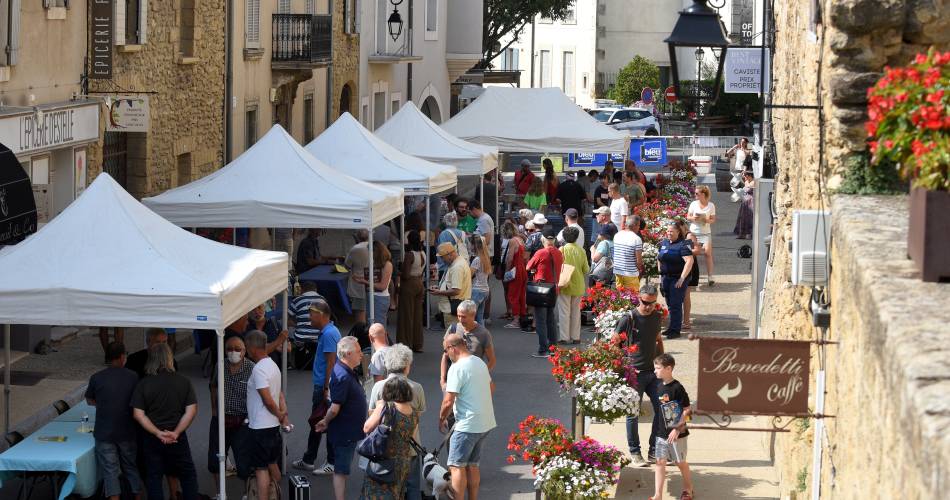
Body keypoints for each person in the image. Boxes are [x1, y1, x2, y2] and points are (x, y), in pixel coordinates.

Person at [131, 344, 199, 500]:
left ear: (151, 360)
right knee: (187, 475)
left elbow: (138, 414)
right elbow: (191, 411)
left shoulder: (144, 384)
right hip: (177, 438)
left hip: (152, 438)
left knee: (154, 477)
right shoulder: (184, 382)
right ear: (169, 358)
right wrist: (176, 432)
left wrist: (157, 432)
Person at [439, 333, 496, 500]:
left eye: (445, 351)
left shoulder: (456, 368)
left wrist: (441, 418)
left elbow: (448, 401)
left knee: (456, 466)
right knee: (472, 465)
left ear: (452, 348)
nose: (446, 355)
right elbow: (491, 388)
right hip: (485, 422)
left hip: (467, 425)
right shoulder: (479, 362)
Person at [613, 284, 664, 467]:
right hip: (635, 374)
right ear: (638, 299)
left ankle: (653, 450)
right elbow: (614, 343)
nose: (648, 306)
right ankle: (635, 452)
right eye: (645, 302)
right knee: (632, 414)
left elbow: (658, 340)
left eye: (652, 303)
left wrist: (662, 364)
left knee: (662, 409)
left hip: (653, 373)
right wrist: (622, 367)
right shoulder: (629, 318)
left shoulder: (657, 317)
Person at [367, 345, 426, 500]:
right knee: (412, 487)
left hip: (383, 447)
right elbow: (417, 417)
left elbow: (371, 416)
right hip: (410, 446)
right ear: (407, 365)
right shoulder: (417, 388)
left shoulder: (379, 386)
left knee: (385, 487)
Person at [86, 342, 142, 500]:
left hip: (104, 431)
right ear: (122, 357)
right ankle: (137, 496)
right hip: (127, 430)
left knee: (110, 471)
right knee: (130, 467)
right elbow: (137, 401)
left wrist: (102, 404)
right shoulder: (132, 376)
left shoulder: (96, 377)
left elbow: (89, 400)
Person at [314, 337, 367, 500]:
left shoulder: (344, 371)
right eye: (358, 351)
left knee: (342, 469)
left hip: (348, 431)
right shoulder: (342, 375)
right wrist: (326, 421)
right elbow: (335, 408)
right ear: (348, 354)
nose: (361, 355)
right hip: (345, 432)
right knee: (341, 470)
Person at [293, 299, 341, 475]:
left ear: (321, 314)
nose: (309, 318)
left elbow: (331, 362)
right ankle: (309, 459)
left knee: (325, 422)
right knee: (318, 421)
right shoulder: (328, 331)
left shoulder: (329, 334)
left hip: (324, 386)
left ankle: (331, 462)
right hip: (323, 385)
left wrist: (326, 388)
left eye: (311, 314)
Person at [244, 330, 289, 499]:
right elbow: (279, 395)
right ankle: (275, 495)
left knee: (261, 469)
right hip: (272, 427)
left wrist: (281, 415)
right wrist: (282, 414)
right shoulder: (272, 365)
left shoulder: (259, 370)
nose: (246, 351)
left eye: (247, 347)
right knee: (272, 465)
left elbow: (268, 400)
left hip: (260, 426)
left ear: (253, 348)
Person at [360, 376, 420, 499]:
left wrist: (378, 408)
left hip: (384, 460)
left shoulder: (387, 408)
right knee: (396, 494)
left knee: (376, 493)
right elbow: (411, 436)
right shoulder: (413, 413)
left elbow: (367, 427)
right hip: (403, 462)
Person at [207, 335, 254, 483]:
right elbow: (213, 385)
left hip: (242, 421)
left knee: (243, 461)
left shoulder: (252, 368)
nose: (233, 352)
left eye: (237, 349)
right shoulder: (219, 365)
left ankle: (247, 493)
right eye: (229, 349)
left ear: (244, 351)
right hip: (221, 419)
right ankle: (219, 493)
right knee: (214, 460)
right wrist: (214, 408)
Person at [650, 353, 694, 500]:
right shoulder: (657, 386)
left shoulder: (677, 388)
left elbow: (687, 410)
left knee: (680, 463)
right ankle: (657, 495)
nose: (655, 371)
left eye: (657, 368)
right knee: (660, 463)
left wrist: (676, 429)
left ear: (668, 369)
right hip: (661, 433)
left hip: (677, 434)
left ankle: (688, 490)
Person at [441, 300, 497, 391]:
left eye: (464, 317)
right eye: (458, 316)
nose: (460, 319)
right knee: (449, 403)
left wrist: (480, 374)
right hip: (452, 379)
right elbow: (445, 355)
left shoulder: (484, 334)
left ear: (473, 315)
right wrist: (442, 380)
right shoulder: (453, 329)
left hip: (472, 382)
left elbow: (492, 360)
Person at [525, 227, 563, 358]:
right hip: (554, 288)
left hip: (541, 289)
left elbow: (528, 266)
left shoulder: (541, 252)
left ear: (543, 239)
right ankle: (553, 347)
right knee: (550, 319)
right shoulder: (559, 253)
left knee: (541, 320)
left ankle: (543, 349)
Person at [657, 222, 695, 339]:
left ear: (678, 232)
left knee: (676, 304)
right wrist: (660, 275)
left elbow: (690, 261)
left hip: (677, 279)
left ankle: (675, 330)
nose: (669, 233)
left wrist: (682, 278)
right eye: (667, 231)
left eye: (671, 231)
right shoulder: (664, 243)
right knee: (669, 303)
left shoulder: (683, 245)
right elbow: (659, 258)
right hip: (666, 278)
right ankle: (671, 327)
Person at [556, 227, 590, 344]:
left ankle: (564, 337)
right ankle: (576, 337)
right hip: (579, 284)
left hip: (565, 284)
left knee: (564, 312)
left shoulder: (562, 249)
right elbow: (586, 269)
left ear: (564, 237)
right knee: (576, 312)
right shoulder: (582, 250)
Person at [430, 242, 473, 326]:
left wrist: (439, 292)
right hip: (457, 305)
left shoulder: (457, 267)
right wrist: (440, 287)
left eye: (443, 257)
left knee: (453, 336)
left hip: (453, 307)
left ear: (449, 254)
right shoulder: (459, 262)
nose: (442, 260)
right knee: (457, 335)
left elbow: (456, 290)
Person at [397, 230, 426, 352]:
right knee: (417, 315)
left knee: (406, 315)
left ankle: (405, 343)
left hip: (409, 284)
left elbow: (406, 275)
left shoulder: (410, 254)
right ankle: (417, 343)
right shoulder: (423, 253)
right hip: (419, 283)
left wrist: (399, 269)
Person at [353, 241, 394, 325]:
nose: (370, 254)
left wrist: (364, 281)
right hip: (371, 296)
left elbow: (382, 286)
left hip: (380, 298)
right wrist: (361, 278)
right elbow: (372, 279)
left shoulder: (387, 265)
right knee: (371, 325)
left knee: (378, 327)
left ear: (377, 252)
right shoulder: (374, 263)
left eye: (371, 251)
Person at [687, 185, 717, 286]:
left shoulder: (711, 205)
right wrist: (693, 218)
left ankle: (710, 277)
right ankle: (689, 275)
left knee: (708, 253)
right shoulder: (693, 204)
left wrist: (706, 220)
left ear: (703, 194)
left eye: (697, 193)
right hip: (693, 232)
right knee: (691, 253)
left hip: (705, 233)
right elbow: (688, 216)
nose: (695, 195)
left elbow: (713, 219)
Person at [502, 223, 529, 331]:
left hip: (515, 269)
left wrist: (507, 271)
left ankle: (516, 320)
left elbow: (509, 258)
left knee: (513, 295)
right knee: (521, 294)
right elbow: (525, 256)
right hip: (522, 268)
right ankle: (522, 316)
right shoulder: (520, 239)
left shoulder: (512, 241)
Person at [675, 220, 701, 330]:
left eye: (677, 229)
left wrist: (685, 250)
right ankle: (679, 319)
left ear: (682, 227)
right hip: (679, 267)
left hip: (690, 267)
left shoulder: (688, 235)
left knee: (685, 295)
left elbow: (696, 250)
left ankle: (686, 321)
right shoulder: (676, 236)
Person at [345, 229, 371, 324]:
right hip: (372, 282)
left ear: (357, 237)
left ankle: (362, 335)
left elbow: (347, 266)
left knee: (360, 314)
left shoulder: (355, 249)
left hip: (358, 284)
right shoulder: (374, 246)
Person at [613, 216, 645, 291]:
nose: (639, 228)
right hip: (630, 273)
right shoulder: (636, 239)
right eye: (639, 225)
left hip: (618, 271)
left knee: (620, 297)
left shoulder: (617, 235)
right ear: (634, 225)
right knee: (632, 298)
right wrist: (640, 269)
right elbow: (639, 260)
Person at [437, 212, 469, 277]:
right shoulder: (463, 233)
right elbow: (468, 249)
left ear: (445, 222)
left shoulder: (444, 234)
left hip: (446, 269)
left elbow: (442, 252)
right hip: (463, 266)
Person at [469, 234, 492, 324]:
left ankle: (473, 336)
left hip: (476, 290)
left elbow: (469, 275)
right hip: (485, 289)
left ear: (475, 246)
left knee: (471, 317)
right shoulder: (486, 258)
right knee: (480, 317)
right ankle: (482, 335)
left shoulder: (477, 260)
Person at [734, 171, 755, 239]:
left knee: (750, 218)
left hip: (751, 201)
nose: (744, 177)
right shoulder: (746, 182)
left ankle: (750, 234)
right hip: (745, 201)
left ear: (749, 176)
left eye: (745, 176)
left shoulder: (754, 182)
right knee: (742, 217)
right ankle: (742, 234)